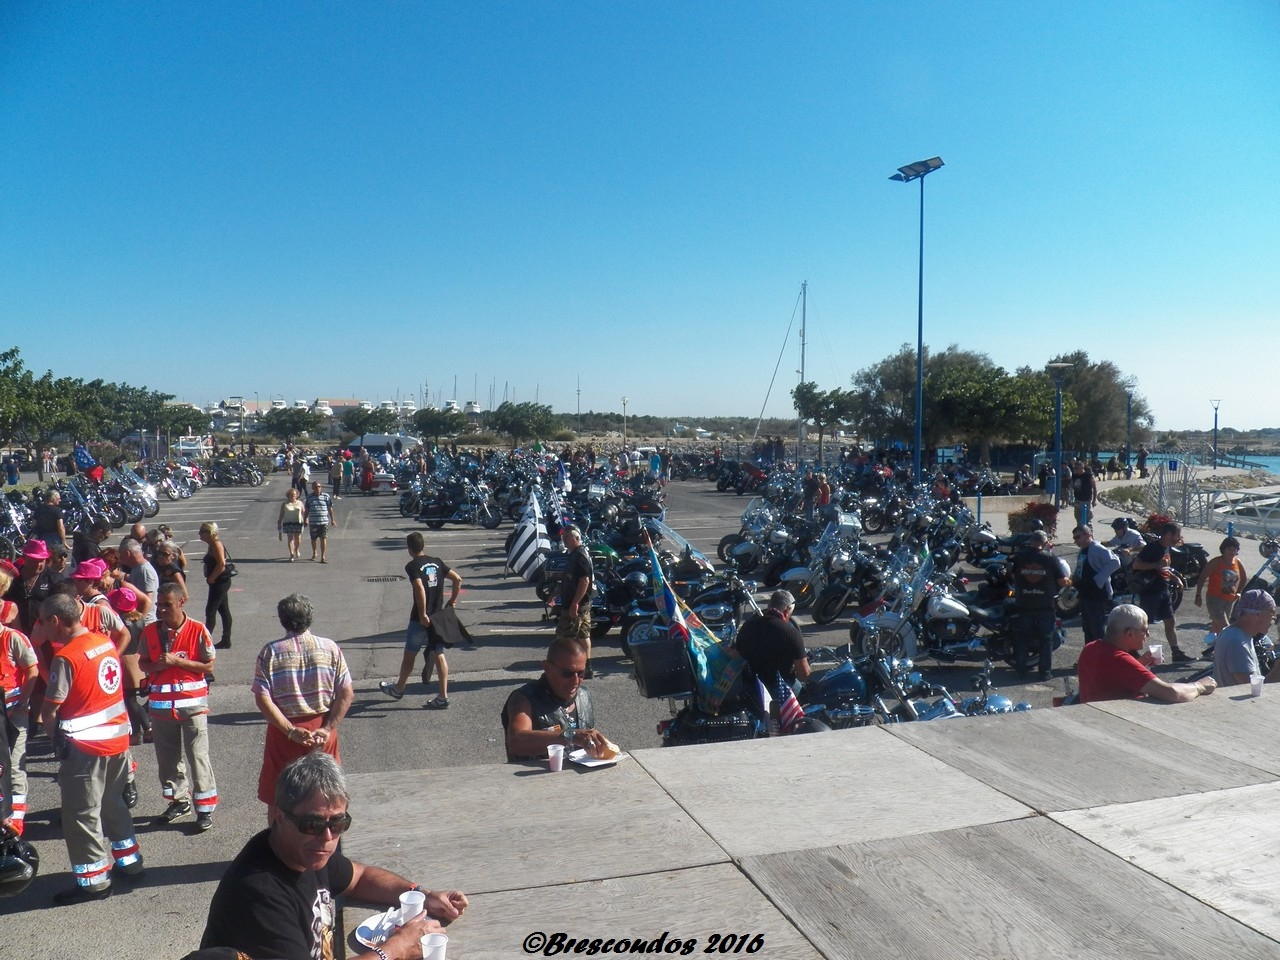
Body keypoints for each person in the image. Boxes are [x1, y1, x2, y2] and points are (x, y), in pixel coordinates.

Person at [201, 752, 467, 960]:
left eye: (338, 824)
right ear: (279, 816)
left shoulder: (307, 853)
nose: (327, 837)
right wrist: (395, 948)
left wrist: (422, 895)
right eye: (312, 824)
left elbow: (360, 877)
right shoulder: (259, 894)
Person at [38, 593, 144, 903]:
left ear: (56, 620)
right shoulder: (104, 642)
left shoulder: (66, 657)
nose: (42, 628)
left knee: (82, 816)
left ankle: (94, 882)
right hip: (118, 741)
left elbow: (50, 710)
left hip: (85, 749)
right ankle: (131, 863)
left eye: (43, 622)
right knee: (114, 804)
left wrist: (56, 742)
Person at [253, 593, 353, 817]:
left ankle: (281, 837)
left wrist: (290, 731)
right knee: (328, 793)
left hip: (284, 732)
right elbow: (346, 693)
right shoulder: (330, 648)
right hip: (322, 729)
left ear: (282, 620)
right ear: (310, 618)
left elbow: (262, 698)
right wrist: (327, 728)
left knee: (280, 797)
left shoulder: (270, 652)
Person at [139, 583, 218, 830]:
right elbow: (143, 663)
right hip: (161, 710)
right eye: (159, 605)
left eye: (167, 605)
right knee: (167, 761)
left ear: (181, 602)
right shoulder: (150, 632)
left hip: (193, 708)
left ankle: (204, 808)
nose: (161, 610)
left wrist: (177, 662)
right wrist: (158, 666)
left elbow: (208, 666)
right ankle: (178, 801)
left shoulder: (197, 629)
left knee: (198, 757)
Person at [379, 532, 462, 710]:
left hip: (420, 620)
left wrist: (423, 613)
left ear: (409, 548)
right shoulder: (437, 562)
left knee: (410, 654)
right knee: (439, 654)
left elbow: (419, 588)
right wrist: (452, 600)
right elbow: (457, 579)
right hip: (438, 618)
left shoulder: (412, 566)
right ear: (423, 545)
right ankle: (443, 696)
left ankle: (398, 688)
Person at [1077, 603, 1218, 703]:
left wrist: (1139, 664)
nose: (1148, 634)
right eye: (1145, 630)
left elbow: (1114, 677)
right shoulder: (1121, 660)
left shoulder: (1090, 648)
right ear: (1130, 633)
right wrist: (1200, 685)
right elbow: (1171, 693)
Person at [502, 637, 610, 762]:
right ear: (547, 667)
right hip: (536, 773)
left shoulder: (584, 695)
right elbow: (516, 741)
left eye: (581, 673)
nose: (575, 681)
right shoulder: (524, 699)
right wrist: (571, 736)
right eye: (567, 673)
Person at [1009, 531, 1071, 681]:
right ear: (1044, 543)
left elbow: (1012, 575)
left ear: (1031, 541)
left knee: (1022, 639)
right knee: (1045, 640)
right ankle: (1044, 673)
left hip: (1024, 604)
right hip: (1045, 606)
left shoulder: (1020, 556)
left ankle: (1020, 671)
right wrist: (1070, 581)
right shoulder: (1049, 558)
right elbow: (1062, 581)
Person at [1130, 521, 1195, 663]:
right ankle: (1132, 651)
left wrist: (1175, 578)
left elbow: (1163, 568)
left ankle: (1176, 653)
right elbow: (1136, 564)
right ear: (1169, 534)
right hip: (1150, 592)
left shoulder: (1166, 548)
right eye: (1177, 535)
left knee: (1170, 621)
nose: (1179, 538)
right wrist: (1155, 565)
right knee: (1143, 624)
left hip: (1163, 590)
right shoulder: (1152, 548)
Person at [0, 609, 37, 835]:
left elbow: (32, 670)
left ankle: (16, 821)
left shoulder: (13, 638)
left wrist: (23, 703)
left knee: (13, 766)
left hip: (14, 715)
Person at [734, 589, 811, 689]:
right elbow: (803, 675)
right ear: (787, 610)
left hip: (749, 684)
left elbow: (736, 654)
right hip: (777, 688)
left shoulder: (748, 624)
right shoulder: (791, 633)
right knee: (806, 690)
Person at [1212, 589, 1276, 687]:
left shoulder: (1236, 634)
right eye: (1272, 612)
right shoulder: (1237, 642)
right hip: (1235, 697)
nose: (1274, 618)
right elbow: (1252, 687)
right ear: (1257, 614)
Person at [1070, 525, 1121, 644]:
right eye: (1074, 538)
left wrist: (1098, 579)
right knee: (1087, 627)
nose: (1075, 541)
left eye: (1078, 537)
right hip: (1084, 593)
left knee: (1097, 628)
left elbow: (1115, 562)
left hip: (1096, 594)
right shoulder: (1083, 550)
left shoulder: (1097, 548)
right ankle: (1090, 653)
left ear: (1088, 535)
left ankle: (1101, 654)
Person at [556, 524, 595, 676]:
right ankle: (587, 668)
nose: (564, 540)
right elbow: (569, 578)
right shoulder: (575, 554)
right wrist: (556, 592)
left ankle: (569, 668)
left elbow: (584, 581)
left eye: (567, 537)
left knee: (565, 637)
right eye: (563, 537)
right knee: (584, 636)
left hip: (577, 605)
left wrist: (574, 603)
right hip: (582, 604)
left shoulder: (579, 556)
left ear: (576, 538)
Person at [1195, 536, 1248, 636]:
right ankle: (1228, 645)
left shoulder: (1237, 562)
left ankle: (1211, 644)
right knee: (1225, 628)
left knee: (1216, 627)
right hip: (1215, 599)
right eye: (1229, 549)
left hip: (1229, 600)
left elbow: (1244, 578)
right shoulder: (1216, 562)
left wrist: (1239, 592)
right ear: (1223, 549)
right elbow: (1202, 578)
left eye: (1234, 549)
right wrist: (1198, 595)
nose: (1232, 551)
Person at [4, 540, 55, 634]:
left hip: (44, 633)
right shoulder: (12, 578)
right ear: (24, 558)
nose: (38, 564)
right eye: (33, 560)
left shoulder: (54, 578)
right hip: (15, 632)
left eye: (41, 561)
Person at [199, 521, 233, 649]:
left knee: (210, 610)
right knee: (223, 610)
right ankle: (226, 640)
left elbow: (221, 564)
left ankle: (205, 641)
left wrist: (212, 578)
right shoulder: (211, 545)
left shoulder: (216, 544)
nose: (199, 534)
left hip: (220, 582)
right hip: (217, 582)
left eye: (202, 531)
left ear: (209, 532)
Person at [303, 481, 336, 563]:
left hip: (323, 522)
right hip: (313, 522)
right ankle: (314, 552)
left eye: (319, 486)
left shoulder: (326, 496)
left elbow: (330, 508)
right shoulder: (309, 497)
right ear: (312, 488)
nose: (317, 488)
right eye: (315, 487)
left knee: (323, 539)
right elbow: (306, 509)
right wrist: (305, 519)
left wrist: (332, 519)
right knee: (313, 539)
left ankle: (323, 556)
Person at [32, 488, 67, 553]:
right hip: (54, 538)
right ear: (53, 499)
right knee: (55, 555)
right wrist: (64, 540)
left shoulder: (39, 509)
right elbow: (61, 527)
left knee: (44, 555)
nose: (60, 500)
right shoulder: (57, 510)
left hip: (41, 537)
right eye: (58, 498)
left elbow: (33, 524)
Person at [277, 486, 306, 562]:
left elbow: (304, 513)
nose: (293, 496)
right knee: (290, 539)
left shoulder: (300, 503)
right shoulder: (285, 503)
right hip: (288, 523)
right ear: (288, 495)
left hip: (298, 523)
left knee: (298, 539)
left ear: (297, 495)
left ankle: (297, 549)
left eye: (294, 494)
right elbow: (281, 514)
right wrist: (279, 522)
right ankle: (291, 554)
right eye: (291, 495)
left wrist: (306, 520)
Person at [1069, 462, 1098, 526]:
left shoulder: (1089, 476)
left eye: (1077, 468)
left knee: (1087, 520)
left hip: (1086, 500)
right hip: (1077, 500)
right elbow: (1072, 487)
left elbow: (1094, 488)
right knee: (1078, 519)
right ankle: (1080, 531)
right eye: (1075, 468)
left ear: (1082, 468)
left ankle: (1089, 531)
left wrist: (1094, 500)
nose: (1076, 469)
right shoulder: (1074, 476)